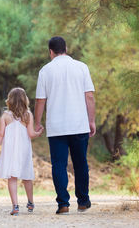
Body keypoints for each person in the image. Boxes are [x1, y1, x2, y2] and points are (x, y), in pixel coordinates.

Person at [34, 36, 96, 215]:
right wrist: (91, 120)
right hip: (79, 124)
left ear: (50, 52)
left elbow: (40, 100)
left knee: (59, 165)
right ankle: (83, 201)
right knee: (80, 164)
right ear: (66, 48)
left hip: (57, 127)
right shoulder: (82, 67)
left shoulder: (45, 71)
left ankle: (63, 204)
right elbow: (89, 96)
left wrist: (37, 123)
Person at [0, 87, 44, 216]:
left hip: (10, 150)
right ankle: (30, 202)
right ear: (24, 100)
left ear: (9, 100)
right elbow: (31, 134)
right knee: (26, 176)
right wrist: (38, 133)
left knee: (12, 177)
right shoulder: (28, 115)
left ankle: (15, 206)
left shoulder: (5, 116)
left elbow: (0, 135)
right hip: (23, 150)